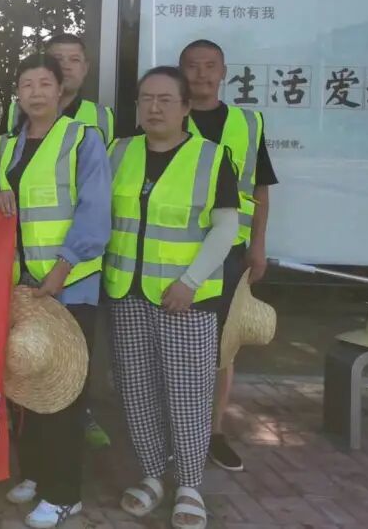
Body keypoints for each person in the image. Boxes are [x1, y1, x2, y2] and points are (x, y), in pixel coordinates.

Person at [106, 66, 239, 529]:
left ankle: (189, 484)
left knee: (187, 394)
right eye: (146, 99)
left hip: (185, 297)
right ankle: (151, 473)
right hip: (126, 291)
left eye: (165, 99)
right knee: (136, 389)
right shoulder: (119, 152)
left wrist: (191, 281)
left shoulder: (210, 157)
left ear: (185, 107)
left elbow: (225, 227)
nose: (154, 107)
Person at [0, 54, 111, 529]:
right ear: (18, 94)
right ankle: (36, 473)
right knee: (26, 385)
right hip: (22, 289)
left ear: (61, 90)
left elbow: (95, 209)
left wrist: (64, 265)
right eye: (27, 84)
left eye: (45, 83)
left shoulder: (83, 139)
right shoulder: (6, 146)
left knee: (65, 393)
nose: (36, 92)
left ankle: (64, 494)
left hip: (68, 286)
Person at [179, 39, 277, 473]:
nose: (201, 74)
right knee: (178, 343)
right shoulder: (166, 116)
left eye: (209, 66)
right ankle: (177, 431)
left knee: (225, 346)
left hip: (233, 251)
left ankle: (214, 432)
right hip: (178, 249)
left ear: (223, 72)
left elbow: (260, 190)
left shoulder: (247, 123)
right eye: (192, 66)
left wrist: (258, 245)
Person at [6, 33, 115, 145]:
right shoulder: (14, 112)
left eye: (74, 60)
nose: (65, 66)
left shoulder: (104, 117)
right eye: (58, 59)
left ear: (85, 68)